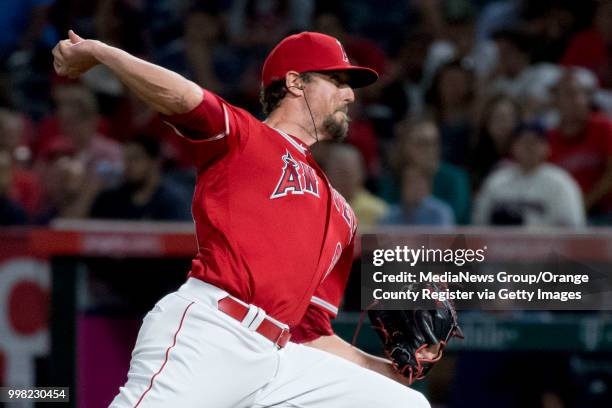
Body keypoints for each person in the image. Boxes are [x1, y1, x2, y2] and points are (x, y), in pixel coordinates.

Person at [53, 30, 437, 407]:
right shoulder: (245, 138)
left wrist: (388, 369)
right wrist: (104, 53)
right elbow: (181, 95)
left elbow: (311, 333)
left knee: (404, 404)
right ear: (295, 82)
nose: (350, 94)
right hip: (214, 331)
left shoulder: (343, 215)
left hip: (280, 359)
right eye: (337, 80)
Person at [473, 122, 585, 227]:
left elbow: (572, 227)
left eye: (535, 142)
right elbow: (479, 223)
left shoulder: (561, 182)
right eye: (523, 141)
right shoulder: (497, 180)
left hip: (546, 245)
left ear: (546, 148)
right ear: (513, 147)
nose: (529, 147)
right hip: (500, 245)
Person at [90, 134, 191, 221]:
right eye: (125, 159)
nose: (128, 165)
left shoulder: (174, 201)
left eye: (135, 158)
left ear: (155, 162)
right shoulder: (111, 200)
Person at [380, 165, 455, 227]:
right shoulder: (390, 215)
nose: (414, 187)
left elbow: (443, 242)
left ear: (428, 187)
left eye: (418, 182)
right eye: (409, 182)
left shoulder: (440, 213)